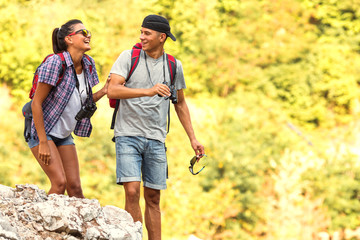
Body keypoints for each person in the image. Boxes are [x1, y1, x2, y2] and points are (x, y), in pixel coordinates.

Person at [107, 14, 205, 239]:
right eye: (141, 32)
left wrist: (193, 138)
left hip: (156, 139)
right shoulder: (127, 57)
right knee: (131, 191)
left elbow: (180, 103)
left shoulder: (173, 65)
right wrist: (148, 90)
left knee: (153, 198)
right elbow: (112, 90)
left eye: (147, 33)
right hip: (127, 135)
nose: (141, 37)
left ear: (162, 37)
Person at [29, 19, 109, 198]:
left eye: (88, 32)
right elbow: (36, 103)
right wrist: (42, 141)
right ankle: (44, 223)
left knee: (75, 189)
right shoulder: (56, 63)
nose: (88, 35)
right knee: (59, 184)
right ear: (69, 39)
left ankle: (78, 226)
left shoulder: (88, 63)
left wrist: (104, 91)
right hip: (43, 132)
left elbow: (83, 101)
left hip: (64, 134)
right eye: (83, 32)